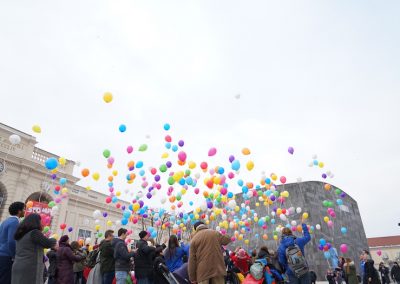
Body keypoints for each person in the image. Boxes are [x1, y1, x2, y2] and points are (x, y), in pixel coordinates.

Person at [11, 213, 56, 284]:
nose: (42, 223)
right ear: (36, 222)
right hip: (30, 267)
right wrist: (54, 239)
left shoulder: (21, 233)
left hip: (18, 265)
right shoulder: (34, 233)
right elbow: (48, 243)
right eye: (40, 221)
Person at [0, 201, 25, 284]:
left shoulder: (5, 221)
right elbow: (11, 241)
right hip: (7, 257)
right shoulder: (15, 222)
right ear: (19, 211)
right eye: (24, 209)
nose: (25, 211)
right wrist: (14, 255)